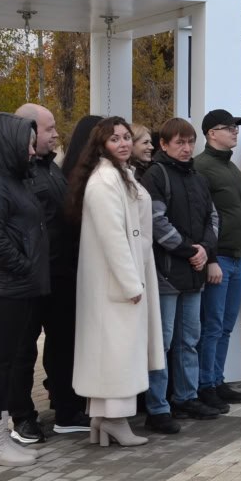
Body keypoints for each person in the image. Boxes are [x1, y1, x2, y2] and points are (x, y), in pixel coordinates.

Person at [67, 117, 163, 448]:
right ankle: (114, 419)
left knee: (116, 351)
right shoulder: (105, 181)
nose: (122, 143)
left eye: (126, 137)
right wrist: (130, 283)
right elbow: (113, 239)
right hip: (117, 282)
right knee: (116, 352)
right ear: (101, 144)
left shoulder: (120, 177)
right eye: (114, 139)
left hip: (125, 276)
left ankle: (102, 418)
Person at [9, 103, 89, 443]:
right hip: (29, 279)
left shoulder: (52, 168)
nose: (56, 134)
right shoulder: (14, 172)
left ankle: (67, 410)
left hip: (60, 275)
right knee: (22, 351)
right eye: (49, 128)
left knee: (63, 344)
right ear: (28, 131)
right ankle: (22, 417)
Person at [0, 112, 47, 466]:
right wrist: (22, 266)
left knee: (5, 362)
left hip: (16, 286)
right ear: (10, 144)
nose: (33, 150)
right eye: (28, 143)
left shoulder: (13, 179)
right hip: (3, 287)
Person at [139, 117, 222, 434]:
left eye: (190, 142)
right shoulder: (155, 176)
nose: (187, 148)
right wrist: (190, 250)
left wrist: (204, 249)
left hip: (194, 274)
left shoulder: (198, 178)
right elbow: (157, 223)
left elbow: (212, 218)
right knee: (162, 343)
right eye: (179, 143)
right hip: (167, 274)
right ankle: (157, 406)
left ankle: (186, 397)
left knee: (189, 340)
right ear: (164, 144)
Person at [192, 109, 241, 411]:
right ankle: (205, 384)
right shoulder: (201, 167)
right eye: (227, 128)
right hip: (219, 259)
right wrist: (211, 258)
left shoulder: (232, 169)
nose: (234, 132)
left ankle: (217, 379)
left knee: (227, 325)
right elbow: (203, 218)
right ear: (211, 133)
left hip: (238, 258)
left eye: (235, 128)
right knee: (212, 325)